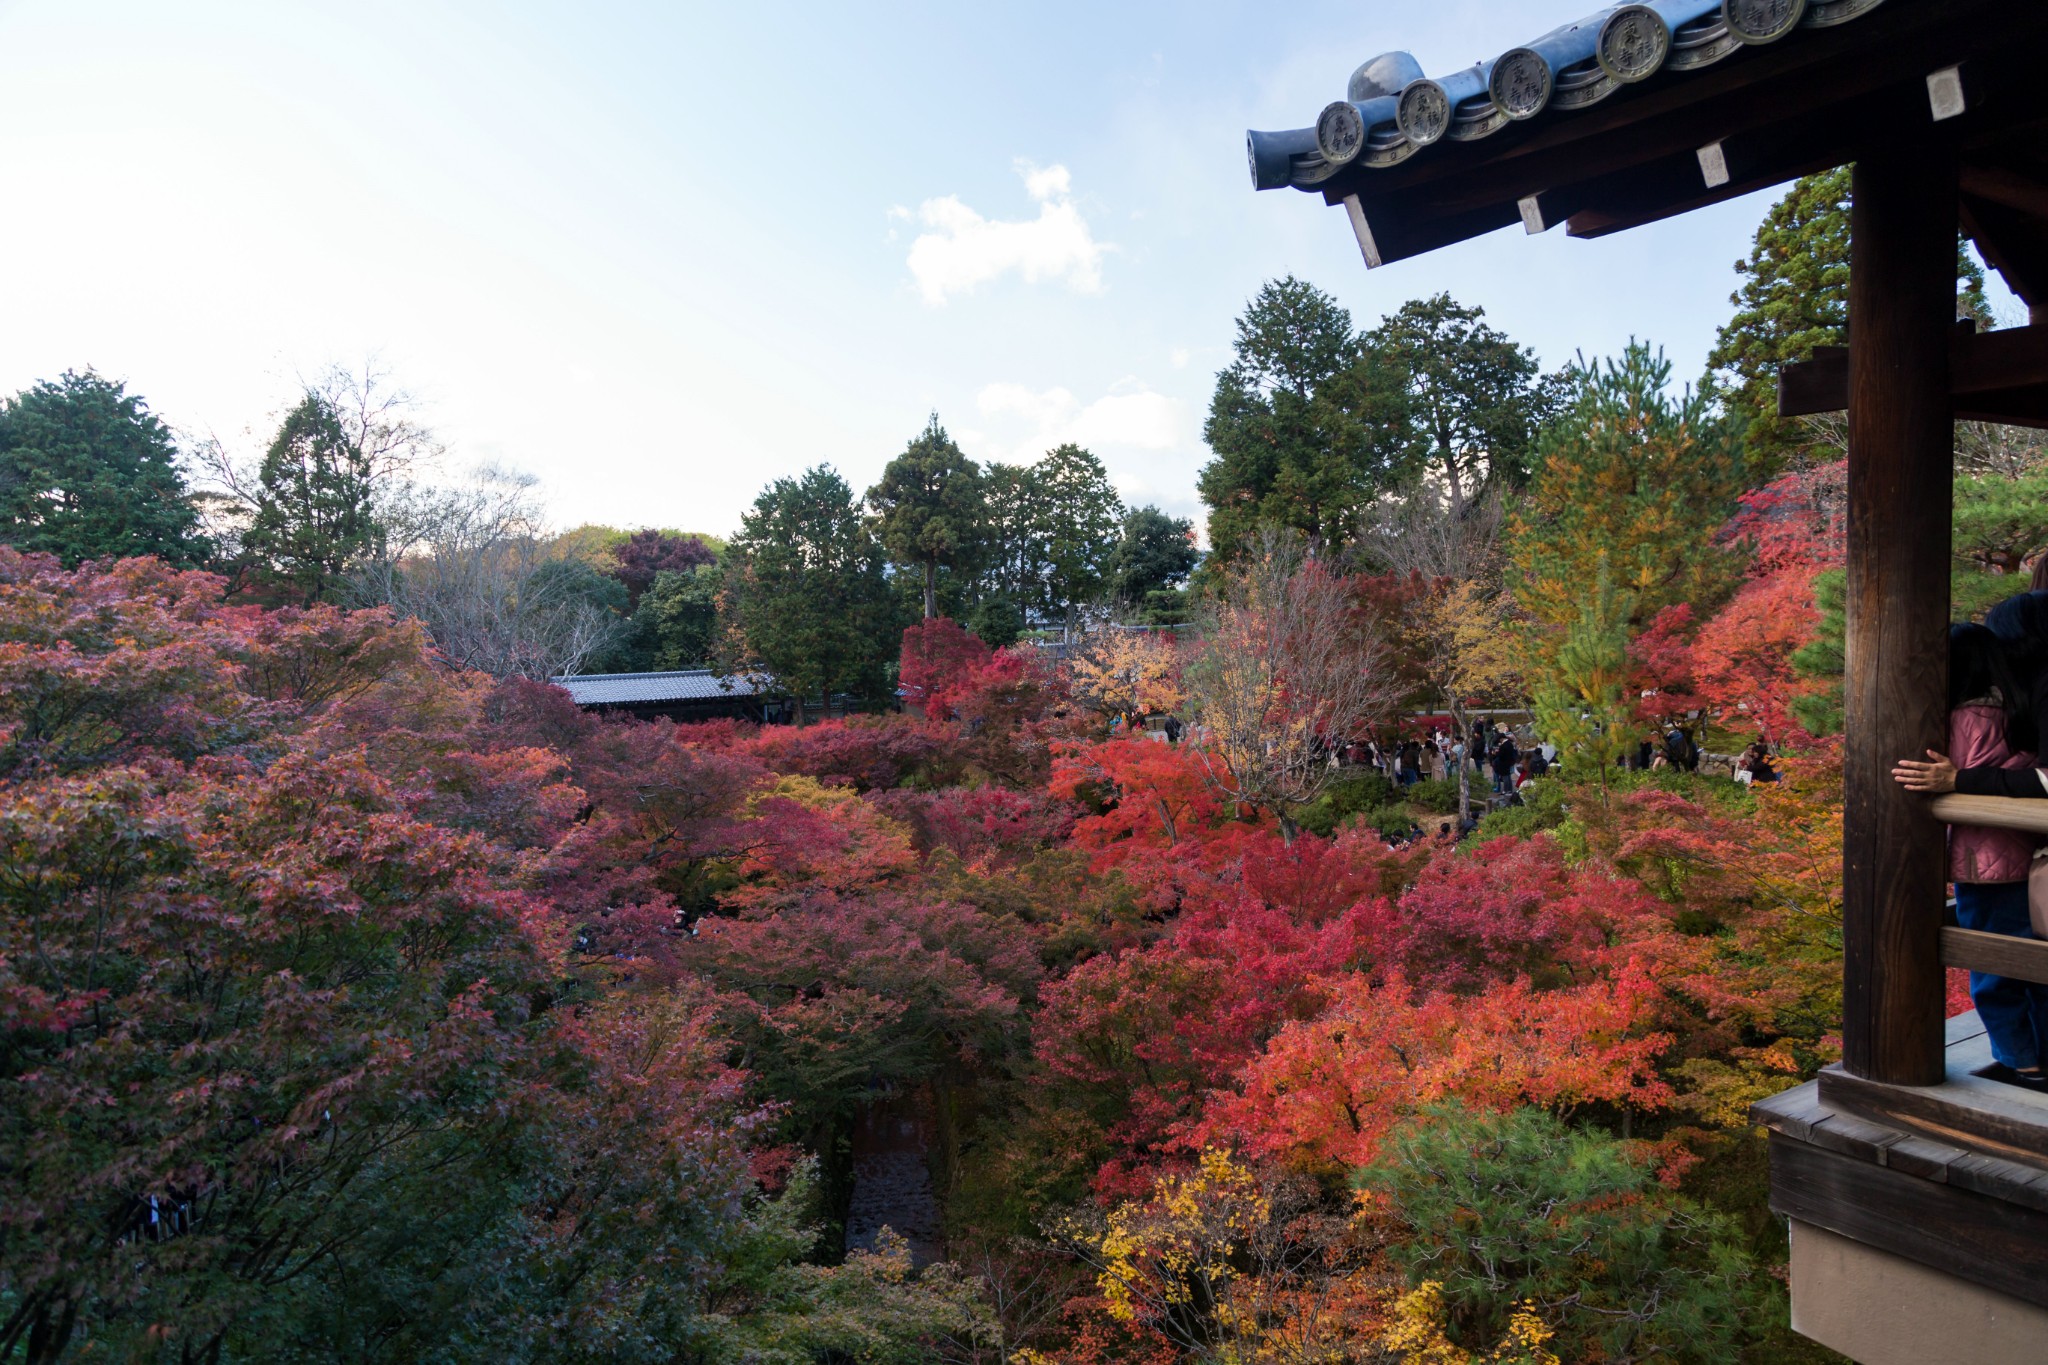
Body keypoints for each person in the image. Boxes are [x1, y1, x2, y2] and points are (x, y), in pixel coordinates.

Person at [1925, 624, 2048, 1090]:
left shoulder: (1963, 718)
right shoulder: (2020, 711)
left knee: (1991, 967)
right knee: (2035, 966)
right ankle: (2039, 1057)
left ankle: (2021, 1063)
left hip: (1983, 864)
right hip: (2027, 855)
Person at [1490, 730, 1519, 795]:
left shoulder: (1504, 746)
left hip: (1503, 763)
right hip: (1508, 762)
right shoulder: (1509, 744)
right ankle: (1509, 790)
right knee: (1508, 777)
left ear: (1501, 739)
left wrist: (1496, 753)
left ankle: (1506, 790)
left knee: (1505, 777)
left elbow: (1501, 755)